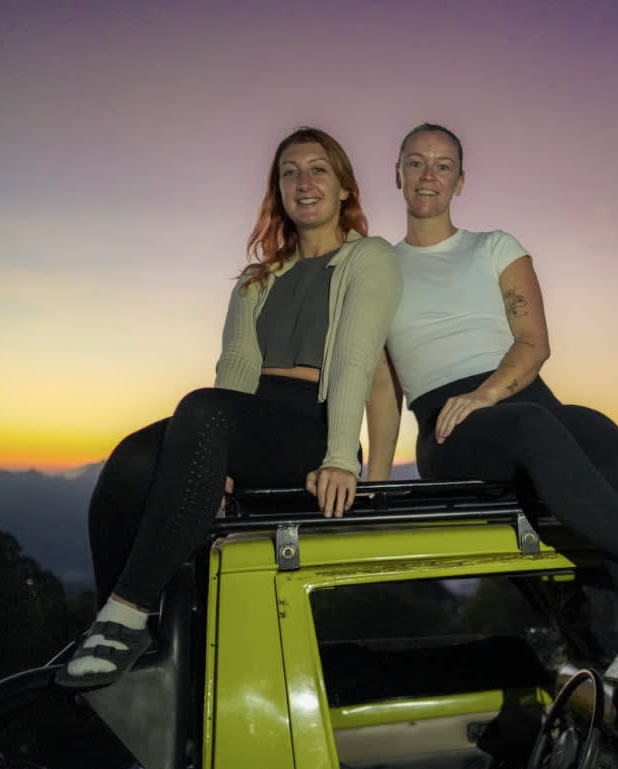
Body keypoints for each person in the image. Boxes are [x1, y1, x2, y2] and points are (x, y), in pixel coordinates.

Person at [382, 123, 618, 713]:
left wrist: (488, 394)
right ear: (398, 174)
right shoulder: (380, 268)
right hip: (449, 424)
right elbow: (379, 382)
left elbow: (533, 343)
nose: (428, 175)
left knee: (605, 437)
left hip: (520, 401)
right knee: (536, 427)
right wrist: (375, 480)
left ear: (460, 181)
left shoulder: (496, 247)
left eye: (443, 165)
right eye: (416, 162)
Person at [56, 127, 402, 688]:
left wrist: (344, 458)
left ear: (344, 189)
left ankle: (127, 613)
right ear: (278, 191)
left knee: (201, 409)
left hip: (315, 425)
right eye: (289, 172)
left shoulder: (370, 258)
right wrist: (212, 454)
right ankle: (117, 625)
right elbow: (237, 369)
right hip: (246, 420)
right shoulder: (256, 280)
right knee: (132, 459)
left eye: (318, 169)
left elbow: (358, 360)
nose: (303, 181)